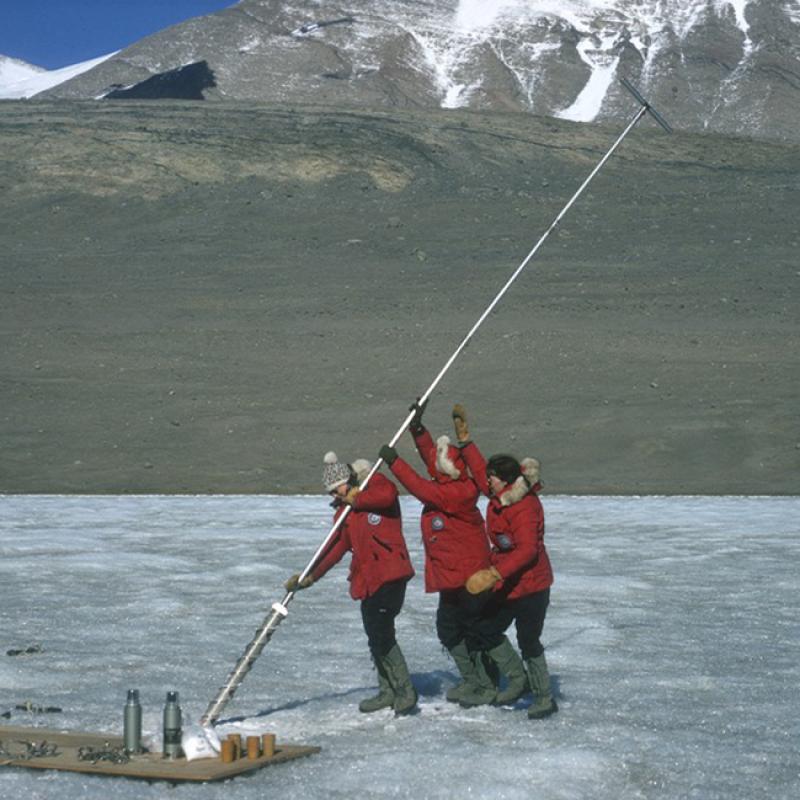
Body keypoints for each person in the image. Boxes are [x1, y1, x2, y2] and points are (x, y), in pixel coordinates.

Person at [378, 401, 508, 708]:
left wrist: (395, 463)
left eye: (439, 464)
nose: (434, 466)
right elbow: (432, 460)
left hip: (467, 576)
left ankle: (482, 683)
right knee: (455, 628)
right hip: (454, 575)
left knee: (460, 629)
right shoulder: (453, 481)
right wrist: (418, 429)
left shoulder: (456, 493)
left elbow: (422, 488)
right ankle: (478, 681)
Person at [286, 452, 417, 715]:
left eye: (337, 489)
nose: (335, 496)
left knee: (382, 632)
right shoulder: (345, 514)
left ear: (349, 480)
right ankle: (387, 690)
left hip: (391, 573)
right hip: (367, 580)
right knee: (374, 635)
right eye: (331, 493)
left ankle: (405, 691)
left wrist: (356, 498)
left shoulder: (376, 485)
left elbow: (388, 496)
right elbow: (335, 548)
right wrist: (310, 576)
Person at [453, 403, 558, 719]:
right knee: (485, 628)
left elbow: (527, 552)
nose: (487, 483)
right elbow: (481, 468)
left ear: (506, 481)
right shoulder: (501, 495)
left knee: (529, 640)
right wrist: (465, 442)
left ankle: (543, 696)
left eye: (492, 479)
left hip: (531, 587)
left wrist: (493, 574)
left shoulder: (523, 507)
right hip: (508, 584)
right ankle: (517, 678)